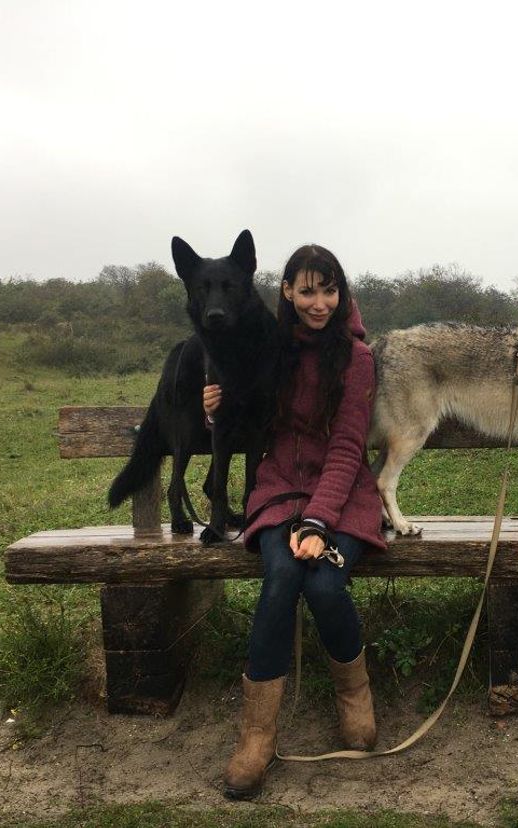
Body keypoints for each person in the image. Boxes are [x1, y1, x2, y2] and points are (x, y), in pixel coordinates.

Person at [204, 244, 386, 800]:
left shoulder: (356, 360)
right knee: (282, 577)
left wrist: (319, 524)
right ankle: (257, 734)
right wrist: (217, 408)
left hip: (343, 491)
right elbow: (256, 422)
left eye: (329, 289)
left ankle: (354, 698)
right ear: (286, 291)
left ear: (341, 292)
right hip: (280, 484)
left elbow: (350, 445)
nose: (319, 302)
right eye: (306, 290)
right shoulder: (270, 350)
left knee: (327, 584)